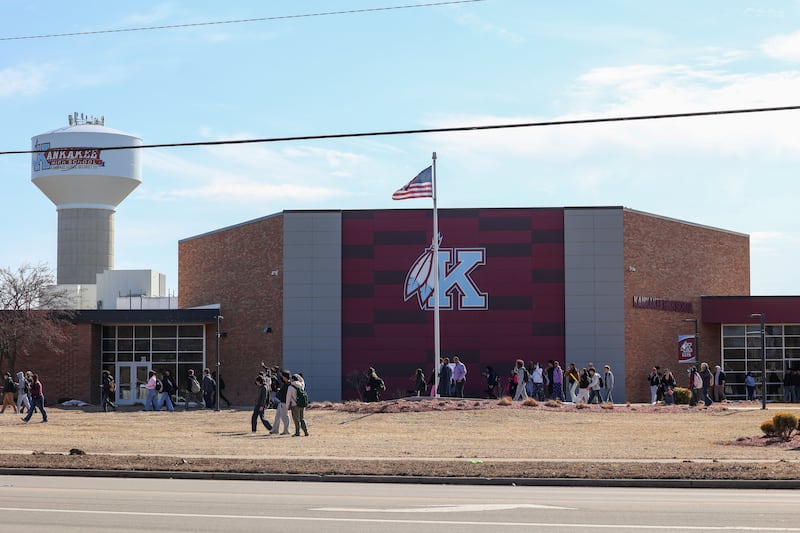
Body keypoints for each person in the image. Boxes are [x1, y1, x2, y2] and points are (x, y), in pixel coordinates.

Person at [270, 370, 291, 435]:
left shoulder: (288, 384)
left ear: (285, 377)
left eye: (282, 376)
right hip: (281, 402)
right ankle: (275, 430)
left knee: (285, 417)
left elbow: (286, 393)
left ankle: (286, 430)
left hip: (284, 402)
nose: (281, 377)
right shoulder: (286, 384)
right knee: (277, 416)